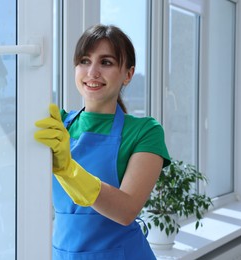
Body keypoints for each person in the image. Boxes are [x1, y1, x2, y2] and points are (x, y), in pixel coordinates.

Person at [34, 24, 171, 259]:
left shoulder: (144, 131)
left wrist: (68, 170)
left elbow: (127, 210)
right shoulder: (58, 124)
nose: (92, 72)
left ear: (128, 74)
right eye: (85, 61)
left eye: (106, 62)